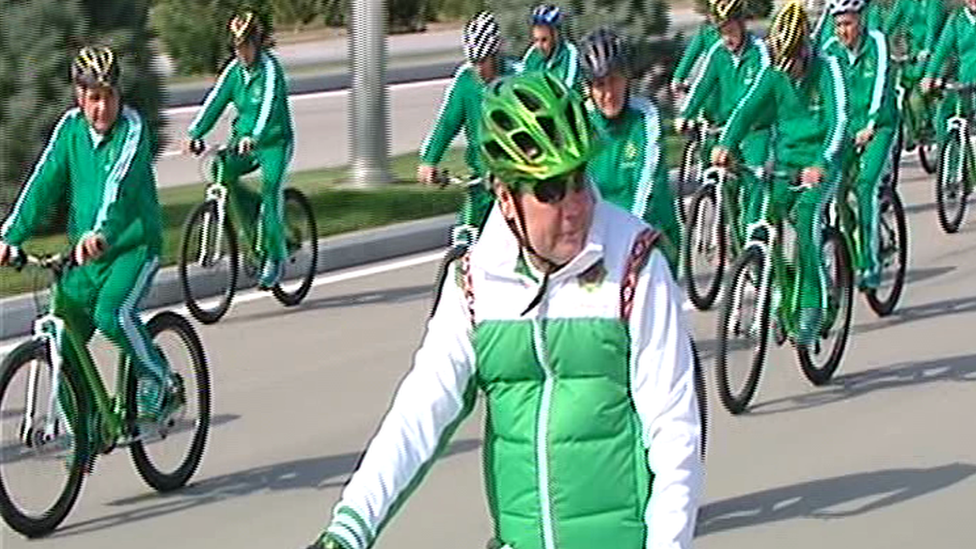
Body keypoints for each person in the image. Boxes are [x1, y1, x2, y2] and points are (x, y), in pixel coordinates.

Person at [303, 71, 702, 549]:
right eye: (550, 190)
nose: (575, 206)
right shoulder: (477, 280)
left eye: (579, 180)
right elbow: (419, 412)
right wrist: (350, 528)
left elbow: (674, 434)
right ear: (505, 197)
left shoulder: (636, 264)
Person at [0, 46, 177, 426]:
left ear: (119, 95)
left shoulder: (132, 129)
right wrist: (10, 237)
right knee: (62, 340)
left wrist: (99, 233)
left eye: (109, 96)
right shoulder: (69, 130)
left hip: (132, 247)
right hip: (85, 257)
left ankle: (158, 377)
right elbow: (43, 182)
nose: (102, 108)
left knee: (112, 312)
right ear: (79, 96)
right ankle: (88, 428)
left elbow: (117, 187)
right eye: (94, 98)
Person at [711, 0, 849, 345]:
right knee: (761, 221)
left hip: (822, 161)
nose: (789, 73)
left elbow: (839, 122)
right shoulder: (774, 72)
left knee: (805, 221)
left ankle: (812, 304)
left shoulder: (827, 68)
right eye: (782, 65)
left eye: (794, 65)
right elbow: (745, 110)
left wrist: (821, 164)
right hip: (785, 163)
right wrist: (726, 143)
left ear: (805, 48)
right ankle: (779, 284)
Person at [184, 11, 294, 289]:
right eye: (236, 46)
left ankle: (276, 258)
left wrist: (255, 136)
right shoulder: (234, 72)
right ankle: (255, 219)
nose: (241, 52)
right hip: (242, 142)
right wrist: (194, 133)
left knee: (271, 188)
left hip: (274, 142)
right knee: (221, 171)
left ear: (257, 43)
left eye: (246, 45)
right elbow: (215, 101)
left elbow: (269, 107)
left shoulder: (270, 70)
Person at [579, 28, 683, 271]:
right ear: (589, 89)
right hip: (595, 245)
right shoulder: (580, 123)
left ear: (627, 78)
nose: (608, 94)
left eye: (614, 80)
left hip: (649, 236)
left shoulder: (645, 117)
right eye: (599, 85)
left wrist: (619, 240)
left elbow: (647, 191)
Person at [674, 0, 772, 239]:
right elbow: (702, 85)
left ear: (742, 24)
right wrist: (685, 114)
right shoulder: (718, 52)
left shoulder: (760, 52)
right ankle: (741, 253)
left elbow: (757, 98)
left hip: (756, 131)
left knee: (754, 190)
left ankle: (757, 248)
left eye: (730, 31)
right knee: (727, 189)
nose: (726, 38)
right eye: (721, 32)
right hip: (728, 129)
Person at [417, 11, 521, 233]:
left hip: (515, 178)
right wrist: (430, 159)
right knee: (465, 234)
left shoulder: (518, 77)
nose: (479, 69)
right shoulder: (465, 81)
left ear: (496, 54)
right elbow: (447, 122)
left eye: (484, 61)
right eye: (475, 62)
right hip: (481, 179)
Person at [823, 0, 899, 289]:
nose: (844, 30)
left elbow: (881, 82)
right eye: (839, 24)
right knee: (837, 191)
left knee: (865, 186)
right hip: (846, 130)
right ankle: (855, 240)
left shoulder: (877, 42)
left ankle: (870, 264)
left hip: (879, 126)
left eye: (849, 23)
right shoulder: (829, 49)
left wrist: (871, 123)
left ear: (861, 20)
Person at [921, 0, 976, 143]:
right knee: (944, 114)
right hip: (965, 81)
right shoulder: (957, 19)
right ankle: (946, 160)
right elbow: (942, 49)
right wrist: (930, 75)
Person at [521, 3, 583, 92]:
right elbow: (522, 82)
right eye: (535, 40)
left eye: (544, 40)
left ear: (556, 36)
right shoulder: (531, 54)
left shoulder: (570, 53)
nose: (539, 46)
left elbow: (568, 89)